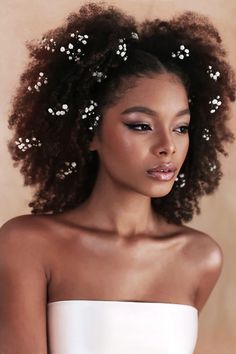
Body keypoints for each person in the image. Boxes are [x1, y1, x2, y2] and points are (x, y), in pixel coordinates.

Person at [0, 2, 235, 353]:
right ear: (88, 133)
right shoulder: (26, 245)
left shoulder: (201, 258)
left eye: (181, 127)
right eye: (141, 125)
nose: (167, 146)